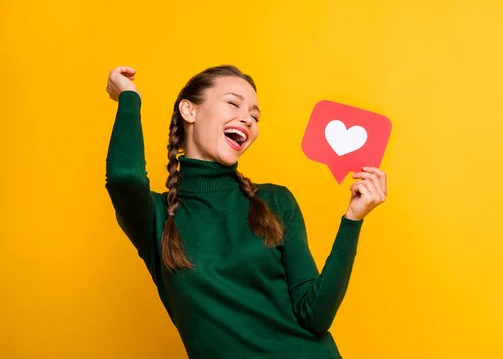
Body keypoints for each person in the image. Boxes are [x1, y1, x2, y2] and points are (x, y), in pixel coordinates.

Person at [104, 65, 387, 358]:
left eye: (254, 115)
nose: (247, 119)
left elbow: (314, 315)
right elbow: (125, 176)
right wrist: (129, 95)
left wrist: (353, 219)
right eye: (233, 103)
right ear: (189, 111)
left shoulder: (275, 201)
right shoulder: (158, 218)